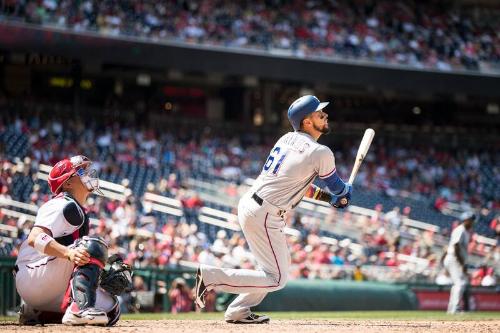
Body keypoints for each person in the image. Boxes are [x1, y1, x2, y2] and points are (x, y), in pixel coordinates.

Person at [194, 95, 352, 323]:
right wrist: (344, 193)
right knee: (277, 278)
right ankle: (210, 277)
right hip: (265, 213)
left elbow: (300, 186)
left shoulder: (287, 139)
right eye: (319, 113)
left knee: (270, 271)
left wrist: (330, 198)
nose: (325, 115)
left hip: (252, 204)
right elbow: (339, 188)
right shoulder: (320, 152)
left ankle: (238, 311)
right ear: (307, 122)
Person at [15, 155, 130, 326]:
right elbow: (35, 237)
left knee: (111, 310)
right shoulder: (61, 203)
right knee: (93, 245)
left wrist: (99, 273)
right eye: (81, 171)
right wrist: (69, 252)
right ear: (67, 183)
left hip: (47, 282)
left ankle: (39, 312)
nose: (88, 174)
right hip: (33, 272)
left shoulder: (77, 208)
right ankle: (79, 310)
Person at [443, 211, 475, 314]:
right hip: (454, 258)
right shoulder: (460, 230)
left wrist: (463, 264)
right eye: (470, 220)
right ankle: (454, 309)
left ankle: (452, 309)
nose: (472, 223)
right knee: (460, 283)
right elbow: (456, 247)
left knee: (459, 283)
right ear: (465, 220)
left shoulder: (465, 232)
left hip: (456, 259)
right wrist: (461, 263)